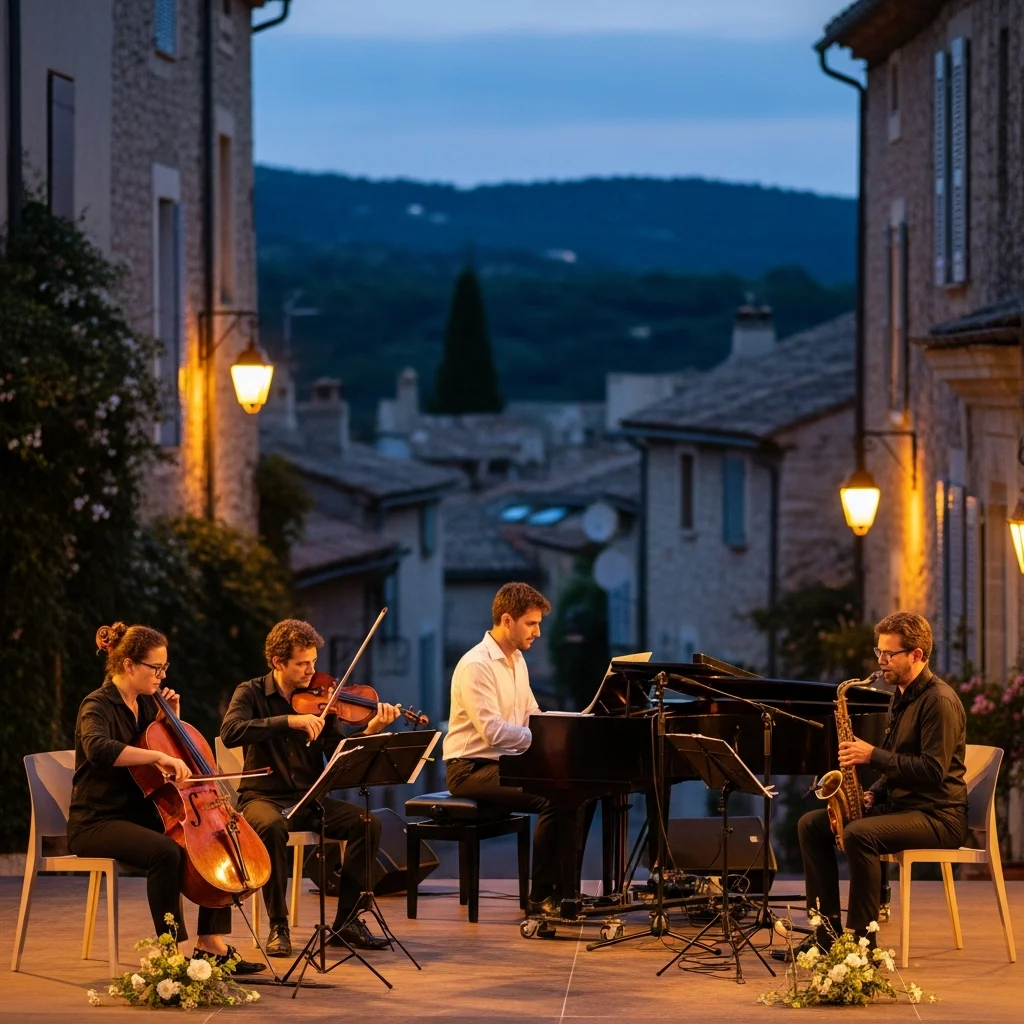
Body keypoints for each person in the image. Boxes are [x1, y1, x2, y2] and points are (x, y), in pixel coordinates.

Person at [67, 623, 264, 974]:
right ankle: (170, 953)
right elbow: (99, 748)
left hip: (137, 813)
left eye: (164, 668)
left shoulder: (144, 708)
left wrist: (170, 722)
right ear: (129, 665)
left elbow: (159, 754)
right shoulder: (97, 704)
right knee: (165, 852)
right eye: (155, 668)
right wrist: (158, 757)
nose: (161, 675)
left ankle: (210, 944)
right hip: (97, 820)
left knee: (212, 839)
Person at [220, 619, 402, 957]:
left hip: (307, 798)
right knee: (272, 828)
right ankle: (279, 925)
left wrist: (371, 729)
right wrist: (289, 721)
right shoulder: (251, 693)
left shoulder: (322, 698)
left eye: (314, 662)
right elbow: (231, 731)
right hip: (263, 799)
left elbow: (337, 752)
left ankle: (346, 921)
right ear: (277, 662)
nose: (311, 671)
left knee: (367, 823)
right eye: (302, 663)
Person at [790, 611, 968, 955]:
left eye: (890, 654)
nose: (881, 661)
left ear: (916, 655)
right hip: (903, 805)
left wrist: (872, 755)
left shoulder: (939, 701)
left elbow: (932, 771)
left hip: (939, 815)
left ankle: (862, 944)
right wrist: (873, 793)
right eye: (879, 653)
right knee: (811, 825)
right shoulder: (901, 697)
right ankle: (824, 934)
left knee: (860, 833)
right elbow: (900, 761)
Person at [444, 582, 584, 914]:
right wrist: (545, 741)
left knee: (579, 792)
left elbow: (532, 714)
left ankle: (568, 892)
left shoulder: (517, 660)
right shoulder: (476, 665)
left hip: (504, 763)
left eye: (538, 624)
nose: (537, 631)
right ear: (507, 620)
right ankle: (540, 898)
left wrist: (571, 725)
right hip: (469, 769)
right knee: (552, 797)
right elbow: (492, 732)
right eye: (531, 623)